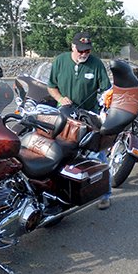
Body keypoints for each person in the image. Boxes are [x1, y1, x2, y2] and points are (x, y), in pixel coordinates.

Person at [47, 31, 113, 210]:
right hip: (64, 114)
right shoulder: (60, 61)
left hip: (88, 117)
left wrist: (105, 111)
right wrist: (60, 98)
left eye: (87, 51)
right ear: (72, 47)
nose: (84, 54)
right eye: (81, 50)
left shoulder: (96, 64)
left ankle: (105, 194)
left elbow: (107, 91)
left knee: (97, 155)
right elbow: (51, 87)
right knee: (59, 153)